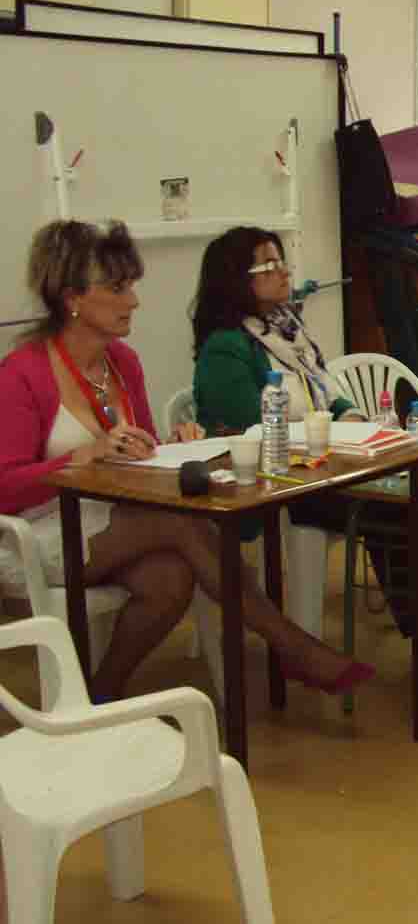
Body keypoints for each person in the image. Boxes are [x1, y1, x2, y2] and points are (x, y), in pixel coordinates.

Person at [0, 220, 372, 702]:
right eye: (118, 288)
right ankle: (292, 647)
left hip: (110, 521)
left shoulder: (123, 362)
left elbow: (137, 452)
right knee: (180, 524)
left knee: (170, 579)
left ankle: (97, 697)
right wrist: (80, 458)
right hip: (33, 536)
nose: (134, 300)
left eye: (131, 285)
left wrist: (170, 444)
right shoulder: (22, 373)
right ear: (72, 298)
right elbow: (6, 487)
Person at [189, 227, 418, 680]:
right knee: (389, 509)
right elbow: (254, 428)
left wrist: (354, 418)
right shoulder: (226, 347)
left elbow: (327, 393)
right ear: (236, 279)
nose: (283, 271)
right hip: (277, 485)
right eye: (269, 264)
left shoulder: (285, 330)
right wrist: (335, 434)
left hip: (326, 467)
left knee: (417, 490)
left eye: (282, 260)